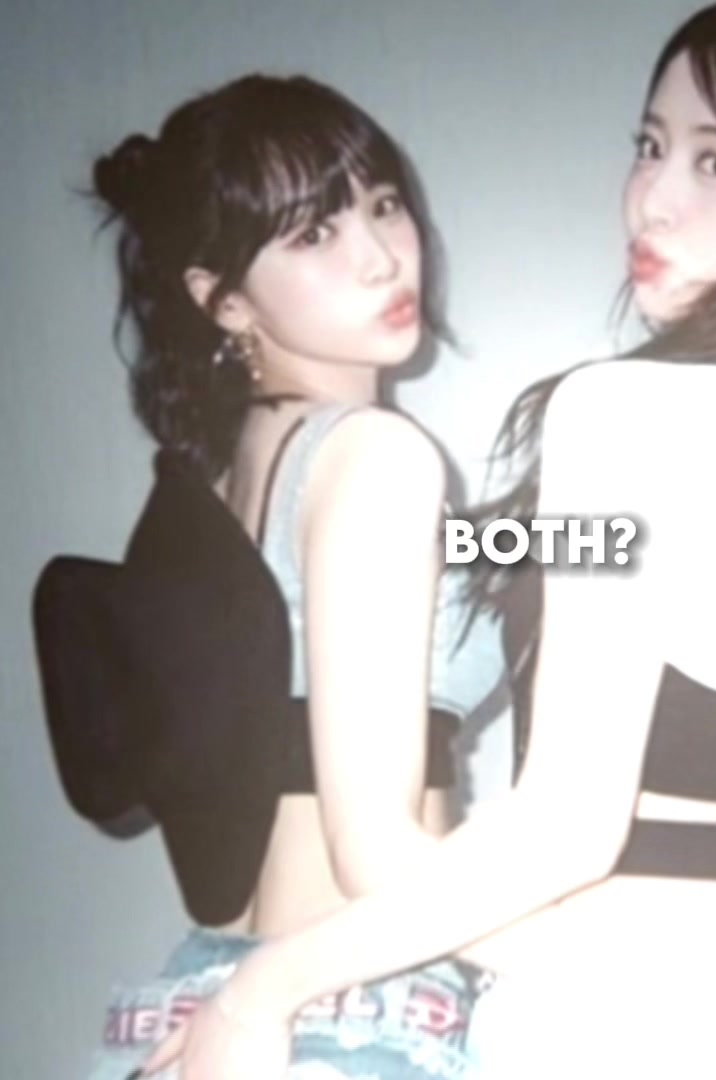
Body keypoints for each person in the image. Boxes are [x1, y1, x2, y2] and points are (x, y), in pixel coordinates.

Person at [144, 1, 716, 1076]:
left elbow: (567, 825)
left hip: (598, 1015)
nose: (653, 198)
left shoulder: (614, 412)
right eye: (649, 145)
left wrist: (258, 993)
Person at [33, 73, 498, 1079]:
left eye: (383, 204)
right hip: (346, 1015)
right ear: (224, 300)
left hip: (205, 999)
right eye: (314, 233)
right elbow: (374, 851)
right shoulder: (376, 457)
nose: (381, 255)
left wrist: (609, 535)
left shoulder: (224, 478)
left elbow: (456, 554)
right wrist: (593, 945)